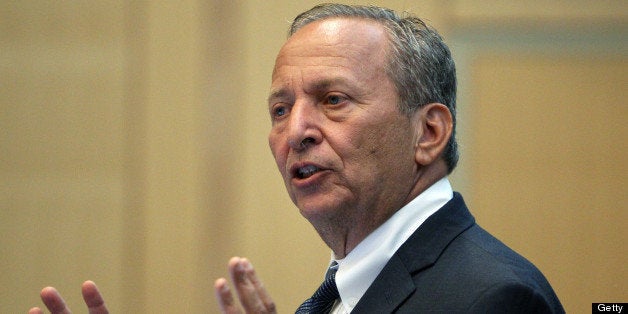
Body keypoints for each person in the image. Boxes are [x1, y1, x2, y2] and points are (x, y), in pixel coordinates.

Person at [29, 3, 564, 314]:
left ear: (428, 132)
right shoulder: (357, 284)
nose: (296, 131)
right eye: (280, 109)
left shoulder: (492, 299)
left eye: (333, 100)